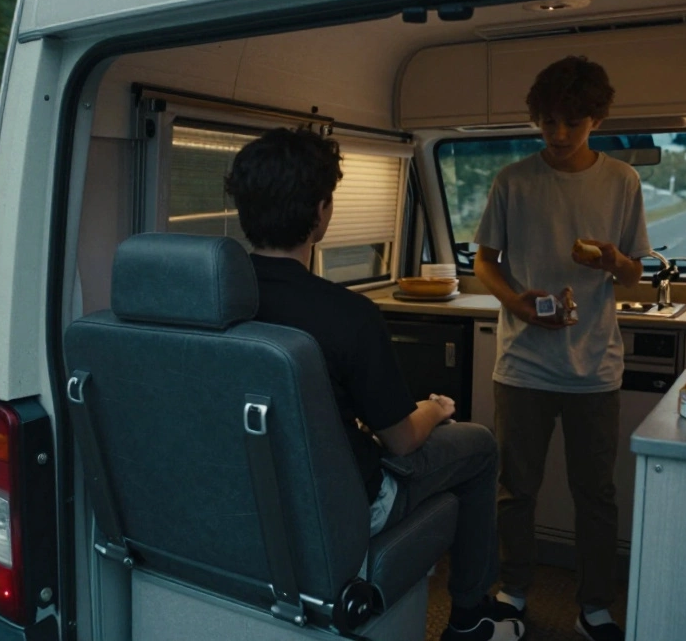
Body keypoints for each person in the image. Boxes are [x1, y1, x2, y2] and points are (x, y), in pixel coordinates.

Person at [225, 127, 524, 641]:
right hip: (346, 502)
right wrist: (433, 408)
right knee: (478, 446)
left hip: (248, 488)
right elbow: (402, 440)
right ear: (321, 212)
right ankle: (469, 615)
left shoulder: (214, 300)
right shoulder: (348, 315)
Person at [472, 56, 651, 641]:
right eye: (547, 122)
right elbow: (484, 261)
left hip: (594, 368)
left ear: (595, 119)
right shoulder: (513, 180)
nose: (558, 134)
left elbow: (633, 276)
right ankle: (514, 592)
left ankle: (595, 605)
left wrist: (611, 258)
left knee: (595, 494)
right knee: (515, 489)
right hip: (522, 364)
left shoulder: (622, 180)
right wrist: (518, 303)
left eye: (571, 123)